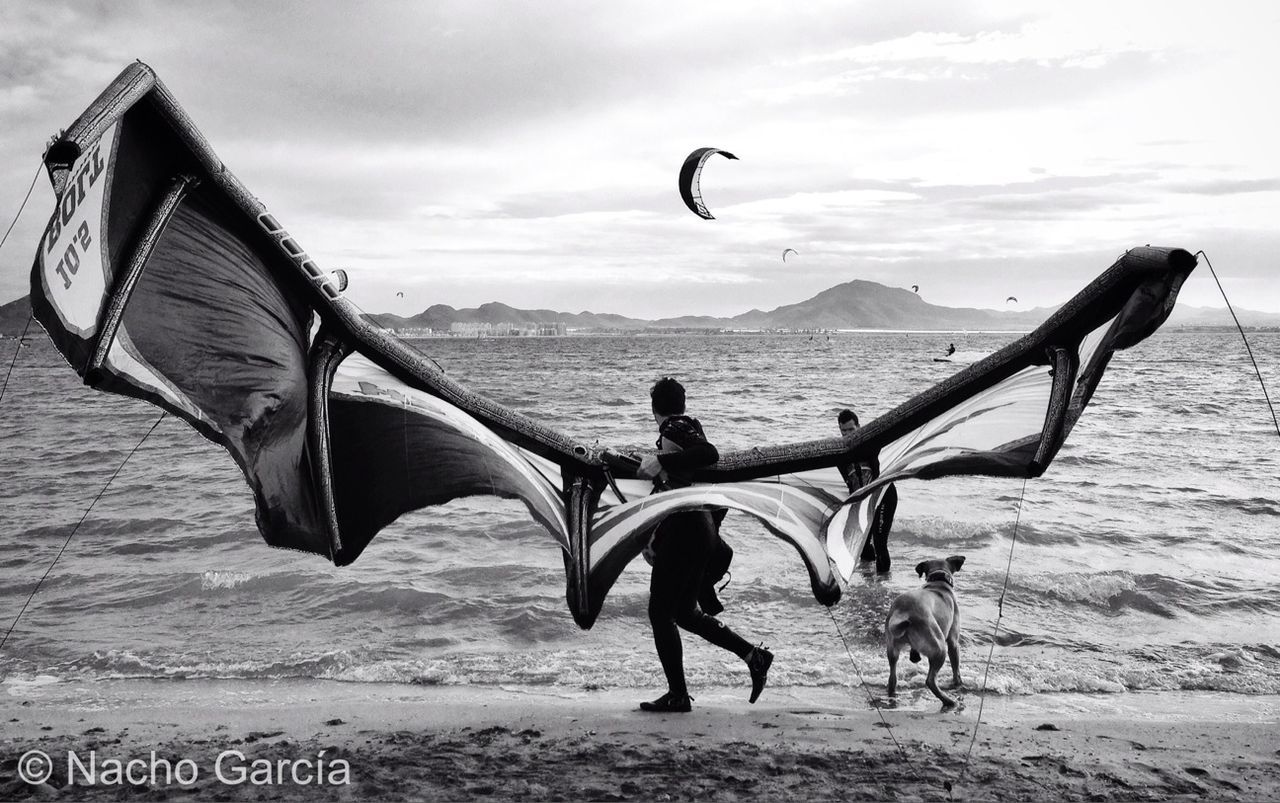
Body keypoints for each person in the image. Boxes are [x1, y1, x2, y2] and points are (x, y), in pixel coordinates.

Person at [634, 377, 773, 713]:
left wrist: (661, 461)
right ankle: (754, 656)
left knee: (659, 611)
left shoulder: (673, 428)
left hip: (686, 529)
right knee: (683, 613)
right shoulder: (687, 424)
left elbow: (709, 454)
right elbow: (699, 464)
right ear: (682, 402)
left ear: (655, 408)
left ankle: (678, 695)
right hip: (700, 529)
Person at [836, 408, 898, 573]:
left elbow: (891, 434)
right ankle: (868, 581)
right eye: (844, 431)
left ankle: (883, 583)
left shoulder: (871, 445)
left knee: (879, 544)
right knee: (862, 544)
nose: (848, 434)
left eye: (851, 429)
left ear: (859, 426)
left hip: (884, 497)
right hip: (863, 502)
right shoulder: (839, 454)